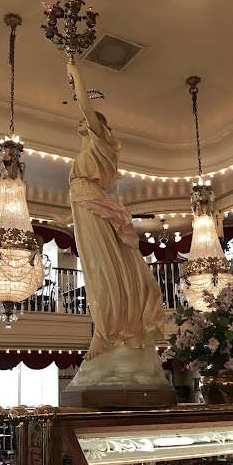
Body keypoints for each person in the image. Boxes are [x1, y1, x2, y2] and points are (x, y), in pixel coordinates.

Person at [63, 59, 164, 361]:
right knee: (95, 269)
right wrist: (66, 216)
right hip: (85, 206)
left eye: (88, 120)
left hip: (91, 203)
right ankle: (106, 330)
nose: (82, 122)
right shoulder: (86, 152)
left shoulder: (102, 142)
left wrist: (74, 72)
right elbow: (84, 197)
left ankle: (105, 332)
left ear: (100, 126)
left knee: (102, 269)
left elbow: (85, 106)